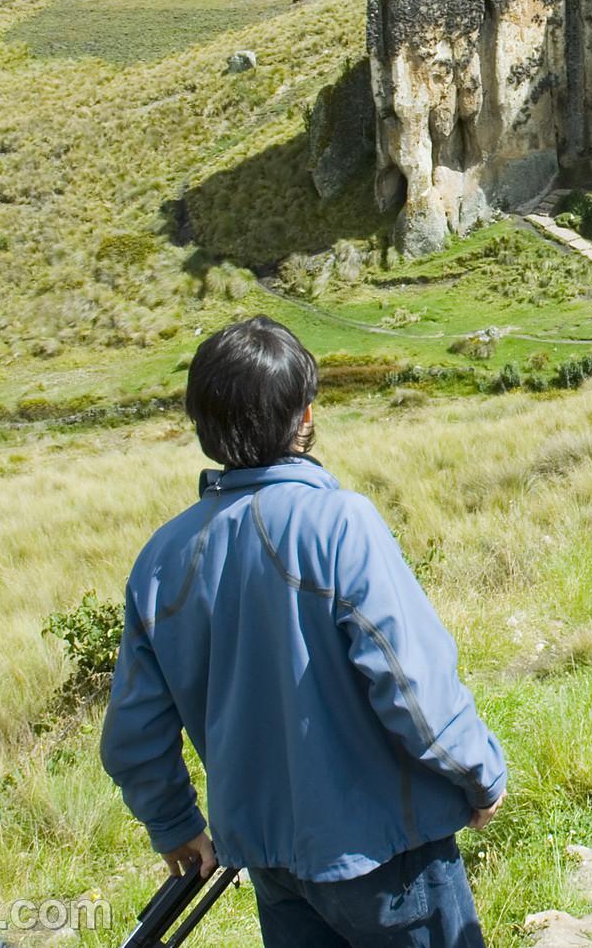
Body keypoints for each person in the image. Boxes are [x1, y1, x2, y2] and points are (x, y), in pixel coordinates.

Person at [101, 316, 507, 948]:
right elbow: (410, 684)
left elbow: (133, 737)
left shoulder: (161, 559)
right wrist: (479, 774)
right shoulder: (340, 524)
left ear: (202, 426)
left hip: (271, 865)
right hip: (389, 855)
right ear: (306, 415)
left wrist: (175, 823)